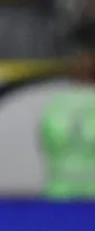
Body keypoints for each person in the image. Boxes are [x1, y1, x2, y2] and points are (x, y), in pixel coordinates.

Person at [39, 21, 95, 199]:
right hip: (63, 192)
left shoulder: (57, 103)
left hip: (69, 192)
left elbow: (48, 141)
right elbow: (48, 142)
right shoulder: (57, 103)